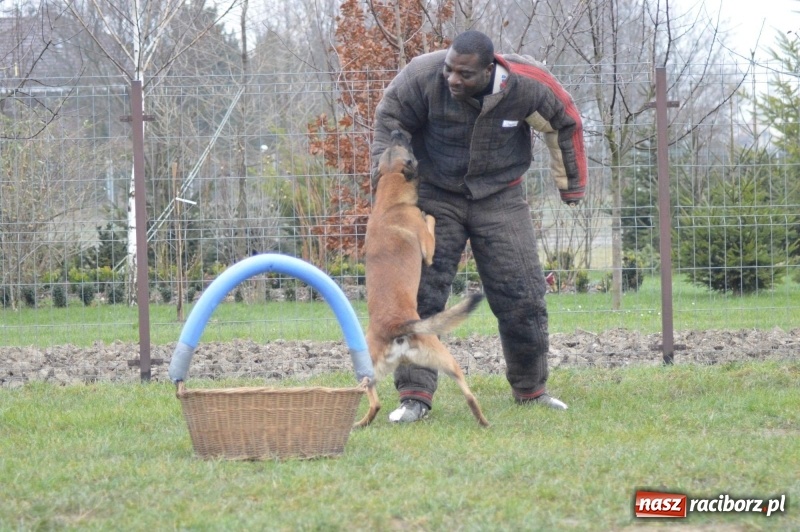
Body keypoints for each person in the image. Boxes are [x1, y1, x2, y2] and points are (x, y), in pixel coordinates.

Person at [370, 29, 588, 422]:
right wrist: (387, 187)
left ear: (489, 70)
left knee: (522, 293)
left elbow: (565, 120)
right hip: (436, 194)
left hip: (501, 195)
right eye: (449, 70)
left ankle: (531, 389)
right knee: (420, 297)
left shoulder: (527, 85)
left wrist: (572, 186)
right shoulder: (422, 76)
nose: (453, 79)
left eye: (464, 74)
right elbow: (391, 119)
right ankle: (414, 397)